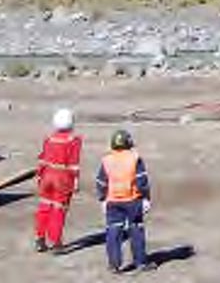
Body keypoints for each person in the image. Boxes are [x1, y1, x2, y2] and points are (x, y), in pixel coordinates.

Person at [97, 128, 154, 273]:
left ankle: (114, 265)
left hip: (113, 201)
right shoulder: (135, 158)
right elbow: (142, 181)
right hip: (133, 200)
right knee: (136, 230)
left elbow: (101, 182)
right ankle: (140, 262)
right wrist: (146, 198)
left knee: (113, 232)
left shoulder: (107, 160)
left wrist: (102, 199)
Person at [34, 108, 84, 252]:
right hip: (62, 178)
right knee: (58, 210)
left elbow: (42, 159)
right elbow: (74, 164)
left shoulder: (49, 139)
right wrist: (75, 181)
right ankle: (56, 242)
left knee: (44, 208)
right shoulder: (74, 141)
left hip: (46, 176)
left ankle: (40, 238)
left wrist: (39, 175)